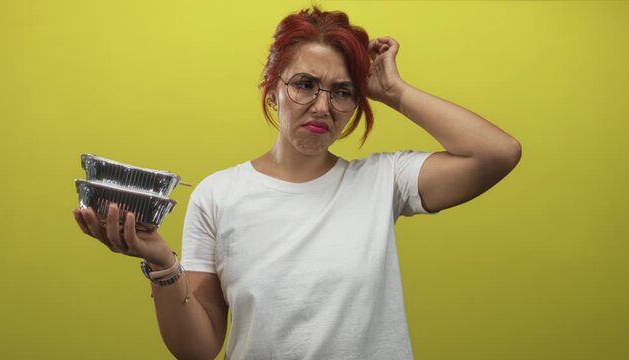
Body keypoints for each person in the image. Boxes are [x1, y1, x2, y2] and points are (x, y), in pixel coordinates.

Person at [72, 7, 521, 360]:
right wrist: (160, 263)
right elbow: (198, 349)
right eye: (304, 84)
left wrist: (395, 92)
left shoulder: (383, 180)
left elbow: (497, 153)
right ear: (272, 90)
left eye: (343, 92)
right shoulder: (218, 194)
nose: (323, 106)